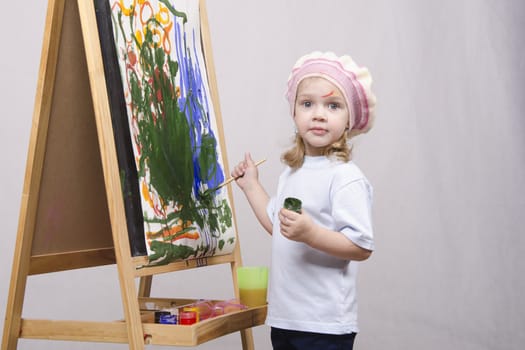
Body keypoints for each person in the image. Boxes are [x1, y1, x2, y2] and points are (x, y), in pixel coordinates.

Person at [231, 51, 376, 350]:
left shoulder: (345, 177)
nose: (319, 114)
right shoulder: (292, 173)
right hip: (285, 319)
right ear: (294, 113)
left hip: (324, 324)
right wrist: (251, 186)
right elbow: (279, 226)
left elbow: (361, 246)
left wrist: (311, 233)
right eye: (307, 104)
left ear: (349, 120)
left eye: (333, 105)